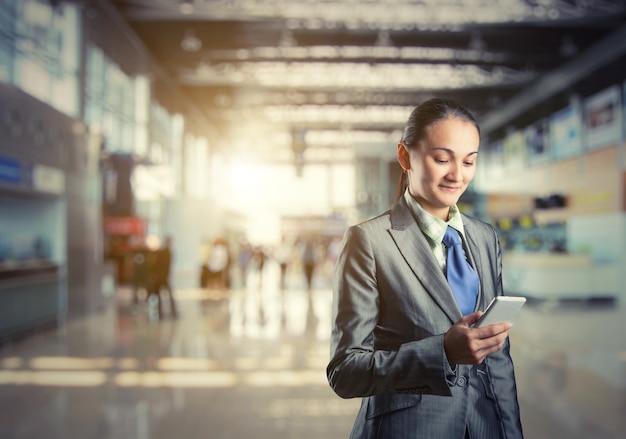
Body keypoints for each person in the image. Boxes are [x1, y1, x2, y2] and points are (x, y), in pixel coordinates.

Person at [326, 98, 523, 438]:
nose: (457, 175)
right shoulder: (370, 242)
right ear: (405, 156)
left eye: (469, 161)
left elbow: (498, 359)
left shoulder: (483, 237)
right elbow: (345, 371)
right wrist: (442, 352)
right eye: (442, 159)